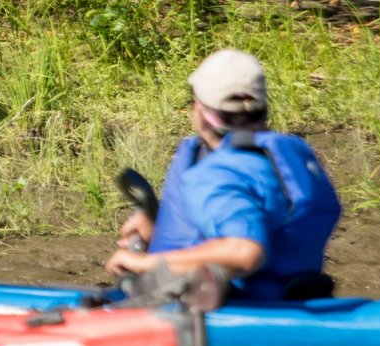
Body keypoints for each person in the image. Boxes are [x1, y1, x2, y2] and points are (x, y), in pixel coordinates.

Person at [105, 49, 342, 301]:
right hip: (296, 300)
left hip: (237, 311)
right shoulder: (293, 154)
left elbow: (244, 251)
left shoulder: (217, 174)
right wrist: (159, 227)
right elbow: (272, 224)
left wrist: (146, 264)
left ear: (199, 109)